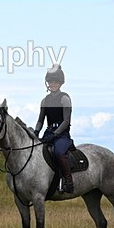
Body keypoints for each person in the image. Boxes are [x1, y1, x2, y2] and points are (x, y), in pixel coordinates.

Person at [34, 64, 74, 193]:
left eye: (56, 82)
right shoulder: (44, 101)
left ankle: (68, 182)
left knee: (58, 153)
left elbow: (66, 121)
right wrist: (36, 132)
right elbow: (40, 120)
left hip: (62, 135)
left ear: (60, 83)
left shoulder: (65, 99)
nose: (53, 84)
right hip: (48, 133)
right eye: (51, 81)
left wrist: (56, 134)